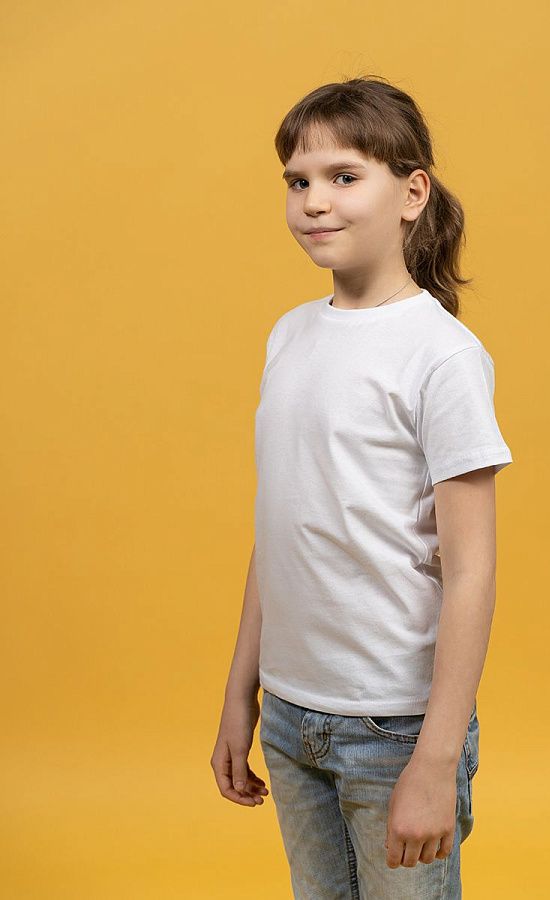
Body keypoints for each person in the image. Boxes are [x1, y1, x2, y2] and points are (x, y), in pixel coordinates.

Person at [211, 74, 513, 898]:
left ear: (412, 193)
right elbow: (279, 531)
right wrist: (242, 694)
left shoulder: (441, 357)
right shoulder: (289, 336)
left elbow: (471, 571)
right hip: (290, 715)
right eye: (297, 181)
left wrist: (435, 758)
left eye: (343, 176)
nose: (314, 201)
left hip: (394, 728)